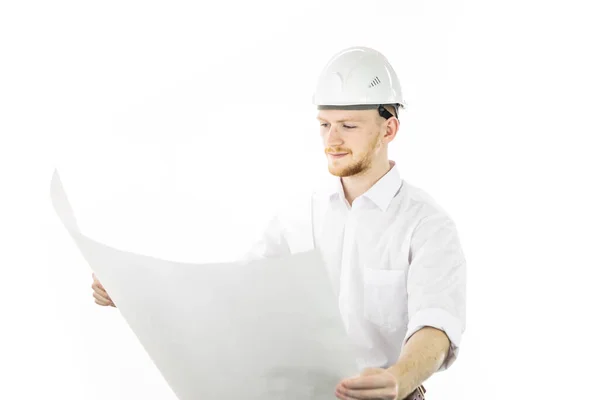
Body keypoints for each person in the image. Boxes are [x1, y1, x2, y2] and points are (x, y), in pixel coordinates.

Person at [92, 46, 466, 400]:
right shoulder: (298, 217)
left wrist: (397, 379)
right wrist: (133, 292)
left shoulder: (427, 225)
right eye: (324, 125)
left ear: (389, 130)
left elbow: (435, 327)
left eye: (348, 126)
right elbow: (233, 294)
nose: (331, 140)